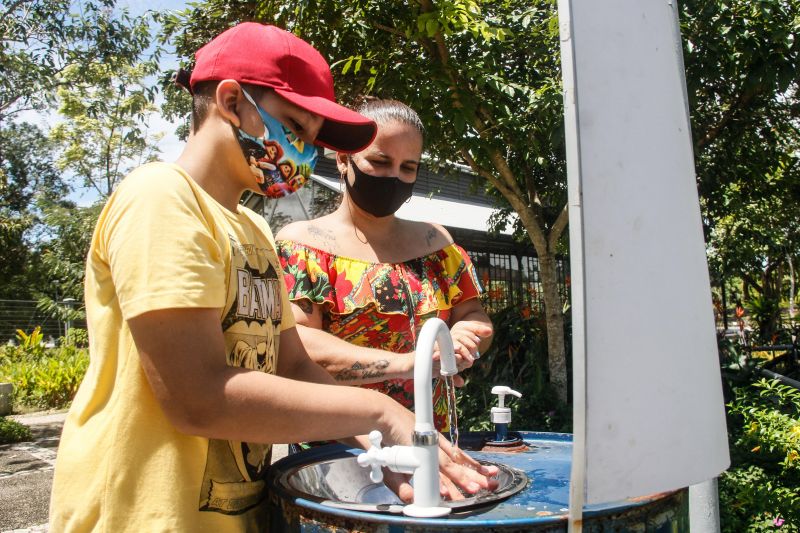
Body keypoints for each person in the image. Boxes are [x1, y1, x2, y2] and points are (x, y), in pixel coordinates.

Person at [49, 24, 495, 532]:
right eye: (295, 127)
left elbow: (294, 365)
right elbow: (196, 398)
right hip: (146, 515)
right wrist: (380, 412)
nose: (305, 152)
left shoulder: (254, 228)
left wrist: (383, 452)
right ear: (232, 100)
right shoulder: (162, 198)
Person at [276, 99, 494, 434]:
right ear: (344, 160)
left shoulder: (436, 244)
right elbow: (300, 347)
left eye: (408, 167)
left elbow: (474, 315)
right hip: (341, 444)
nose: (394, 177)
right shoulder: (304, 246)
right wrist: (410, 364)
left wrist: (466, 338)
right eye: (380, 161)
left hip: (432, 441)